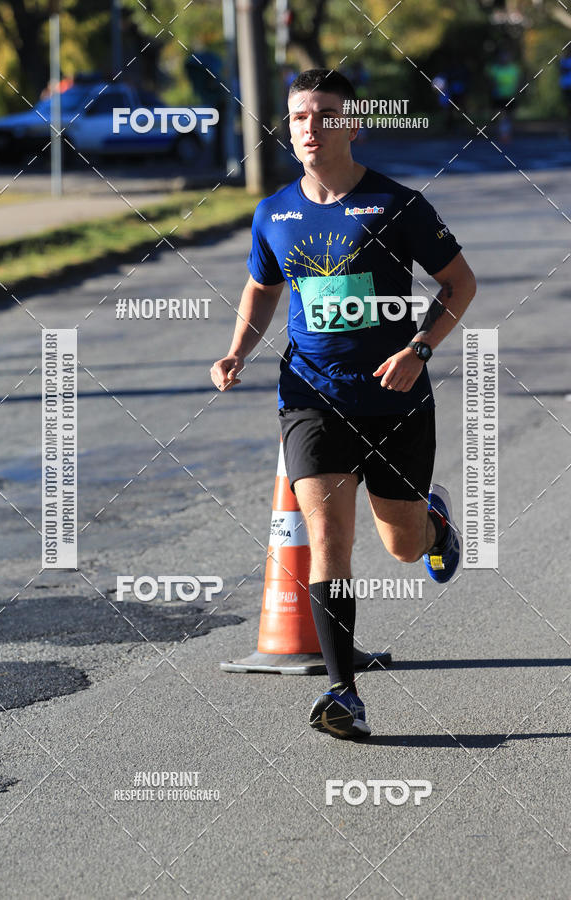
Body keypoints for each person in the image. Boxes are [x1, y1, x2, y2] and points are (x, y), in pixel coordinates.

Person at [210, 69, 476, 740]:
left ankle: (436, 526)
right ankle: (342, 693)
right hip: (310, 398)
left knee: (403, 545)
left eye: (326, 115)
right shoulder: (274, 212)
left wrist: (418, 348)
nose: (310, 127)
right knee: (327, 538)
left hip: (395, 398)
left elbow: (459, 283)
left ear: (352, 125)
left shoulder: (398, 205)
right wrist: (238, 349)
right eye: (300, 116)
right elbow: (263, 286)